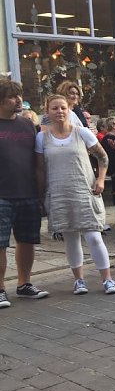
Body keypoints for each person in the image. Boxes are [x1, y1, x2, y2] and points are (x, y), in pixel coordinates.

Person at [35, 95, 115, 295]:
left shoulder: (81, 133)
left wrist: (100, 180)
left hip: (83, 190)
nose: (60, 111)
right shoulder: (41, 138)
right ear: (47, 112)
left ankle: (107, 279)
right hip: (58, 193)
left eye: (63, 107)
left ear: (68, 110)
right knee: (71, 238)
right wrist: (41, 195)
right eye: (55, 108)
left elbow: (102, 156)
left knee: (94, 236)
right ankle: (78, 280)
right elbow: (39, 169)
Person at [0, 79, 49, 308]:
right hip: (2, 194)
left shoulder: (28, 125)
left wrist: (40, 192)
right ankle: (0, 289)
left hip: (27, 192)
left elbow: (37, 160)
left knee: (27, 241)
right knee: (0, 244)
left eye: (19, 95)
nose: (19, 100)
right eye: (12, 96)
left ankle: (24, 284)